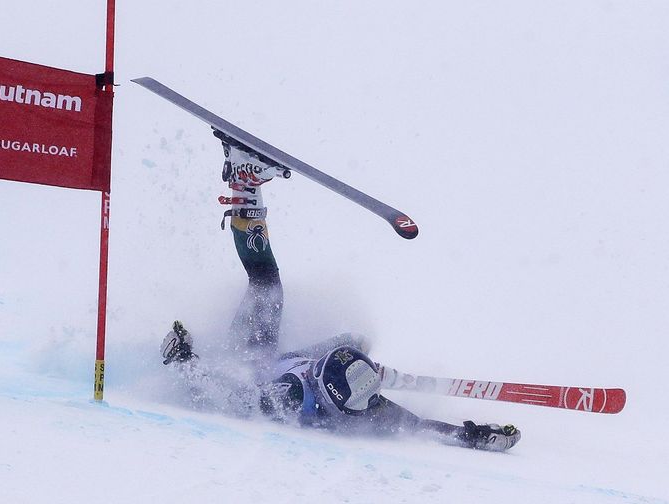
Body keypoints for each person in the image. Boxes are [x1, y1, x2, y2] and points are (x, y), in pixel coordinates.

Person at [160, 133, 521, 452]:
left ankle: (244, 183)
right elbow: (418, 426)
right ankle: (245, 182)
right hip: (296, 362)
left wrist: (182, 360)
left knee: (266, 283)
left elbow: (228, 398)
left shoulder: (291, 397)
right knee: (359, 338)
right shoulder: (353, 402)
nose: (375, 405)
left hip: (256, 358)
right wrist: (474, 437)